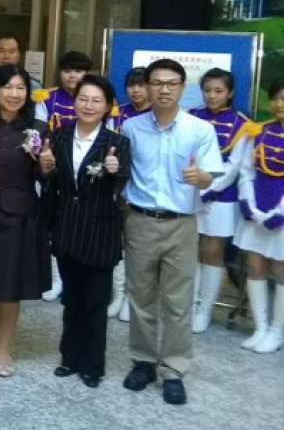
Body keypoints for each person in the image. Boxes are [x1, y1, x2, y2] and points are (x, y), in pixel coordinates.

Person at [119, 58, 223, 406]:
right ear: (148, 86)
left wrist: (202, 178)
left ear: (182, 87)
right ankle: (143, 361)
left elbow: (210, 176)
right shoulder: (131, 128)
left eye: (172, 83)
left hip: (181, 224)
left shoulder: (199, 130)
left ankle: (175, 370)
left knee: (178, 302)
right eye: (157, 83)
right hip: (140, 221)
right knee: (141, 297)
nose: (164, 89)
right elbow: (122, 173)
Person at [41, 75, 131, 389]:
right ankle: (69, 358)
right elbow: (51, 178)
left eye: (96, 101)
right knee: (72, 298)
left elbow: (124, 182)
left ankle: (93, 365)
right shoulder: (60, 135)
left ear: (107, 106)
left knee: (95, 301)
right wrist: (45, 168)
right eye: (83, 99)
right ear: (74, 102)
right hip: (67, 226)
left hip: (100, 230)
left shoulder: (117, 142)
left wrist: (116, 172)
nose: (88, 106)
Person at [0, 65, 50, 377]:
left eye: (20, 88)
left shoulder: (38, 128)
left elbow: (44, 176)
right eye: (7, 87)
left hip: (20, 214)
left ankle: (4, 348)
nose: (14, 94)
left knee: (10, 283)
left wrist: (45, 166)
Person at [189, 68, 253, 334]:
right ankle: (190, 305)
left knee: (213, 252)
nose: (212, 96)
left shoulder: (242, 124)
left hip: (222, 197)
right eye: (207, 90)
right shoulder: (191, 116)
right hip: (191, 191)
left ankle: (205, 309)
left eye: (218, 91)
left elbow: (234, 167)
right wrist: (197, 188)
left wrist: (209, 190)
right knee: (192, 249)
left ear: (230, 92)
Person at [34, 50, 95, 302]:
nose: (72, 76)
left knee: (85, 223)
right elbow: (38, 132)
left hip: (87, 170)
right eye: (67, 70)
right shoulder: (46, 98)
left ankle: (78, 280)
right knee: (53, 223)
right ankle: (56, 279)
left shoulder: (99, 98)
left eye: (78, 71)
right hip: (54, 169)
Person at [234, 80, 284, 354]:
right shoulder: (257, 130)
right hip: (256, 211)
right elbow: (246, 170)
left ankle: (277, 332)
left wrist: (279, 213)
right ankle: (260, 327)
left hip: (281, 214)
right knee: (255, 267)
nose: (279, 104)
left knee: (281, 271)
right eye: (276, 98)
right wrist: (249, 205)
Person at [108, 67, 151, 321]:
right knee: (118, 242)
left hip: (144, 189)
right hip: (119, 187)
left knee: (138, 246)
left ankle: (133, 299)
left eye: (141, 85)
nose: (136, 90)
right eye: (131, 85)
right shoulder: (117, 113)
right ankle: (118, 295)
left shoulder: (156, 115)